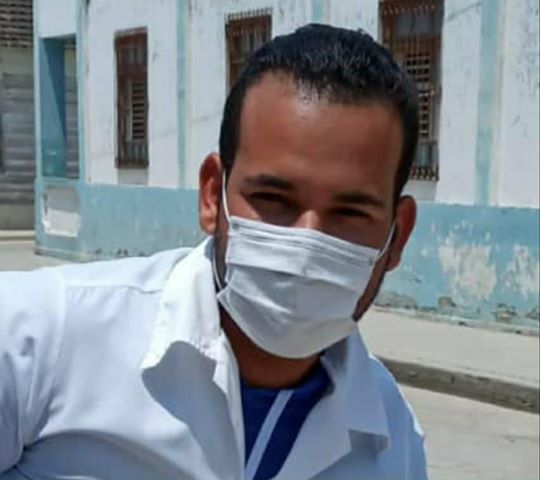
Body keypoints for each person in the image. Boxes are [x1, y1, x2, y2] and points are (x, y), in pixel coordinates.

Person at [0, 24, 427, 480]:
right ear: (211, 195)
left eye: (350, 211)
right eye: (273, 199)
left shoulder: (391, 438)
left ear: (397, 236)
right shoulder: (37, 338)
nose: (308, 242)